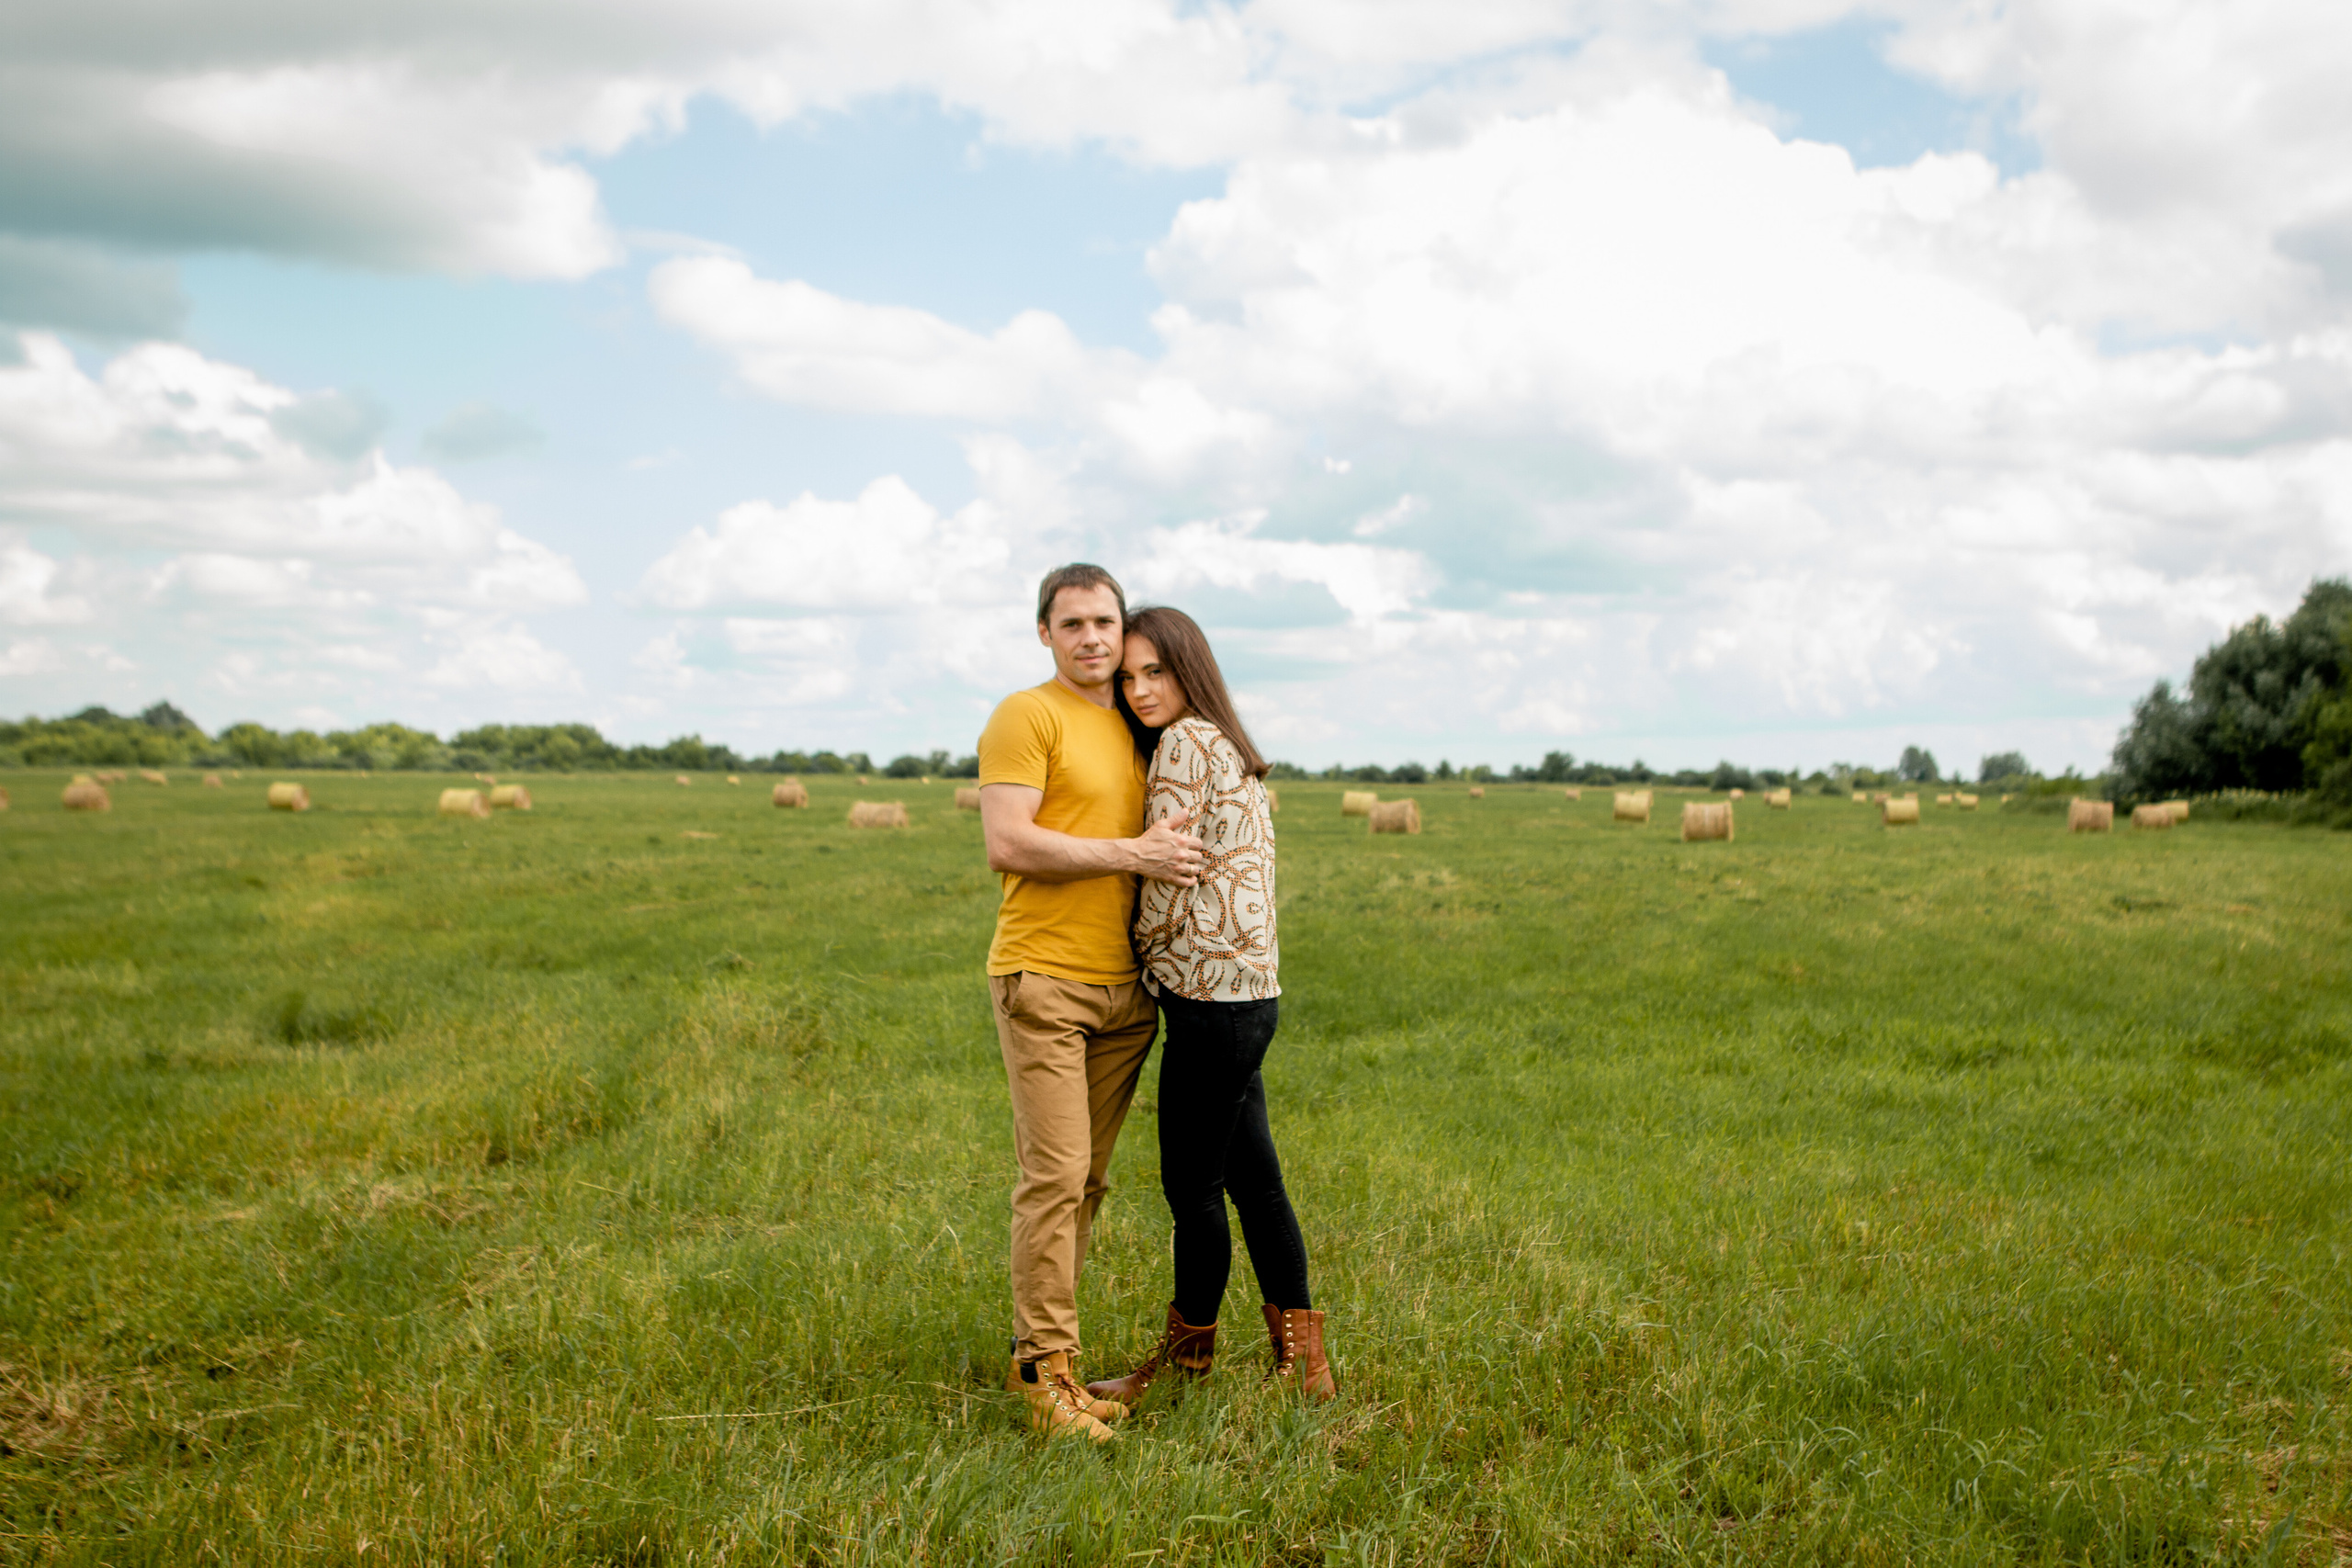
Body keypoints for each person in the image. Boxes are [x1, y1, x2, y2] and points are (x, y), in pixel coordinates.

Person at [976, 564, 1207, 1442]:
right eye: (1071, 624)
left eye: (1105, 621)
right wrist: (1133, 855)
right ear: (1045, 633)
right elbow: (1009, 839)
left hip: (1126, 991)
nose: (1093, 639)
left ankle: (1050, 1359)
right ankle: (1045, 1378)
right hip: (1044, 976)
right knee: (1055, 1176)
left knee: (1089, 1181)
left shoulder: (1135, 718)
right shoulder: (1026, 714)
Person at [1086, 604, 1336, 1408]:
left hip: (1207, 1004)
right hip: (1250, 998)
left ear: (1188, 668)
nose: (1138, 689)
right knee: (1254, 1181)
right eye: (1127, 677)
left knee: (1190, 1188)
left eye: (1153, 671)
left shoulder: (1184, 746)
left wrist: (1138, 954)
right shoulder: (1229, 745)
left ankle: (1183, 1360)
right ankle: (1303, 1363)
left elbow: (1166, 875)